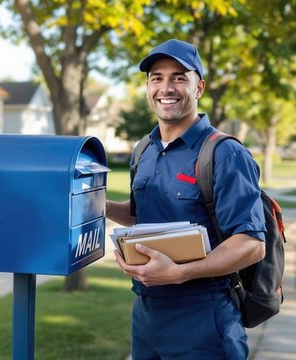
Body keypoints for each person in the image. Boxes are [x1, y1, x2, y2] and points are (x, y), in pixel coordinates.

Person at [106, 39, 267, 359]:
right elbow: (142, 216)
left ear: (199, 88)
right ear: (147, 87)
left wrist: (180, 272)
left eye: (179, 77)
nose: (167, 87)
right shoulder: (143, 150)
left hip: (203, 319)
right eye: (157, 77)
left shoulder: (224, 153)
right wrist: (103, 207)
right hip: (145, 315)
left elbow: (251, 244)